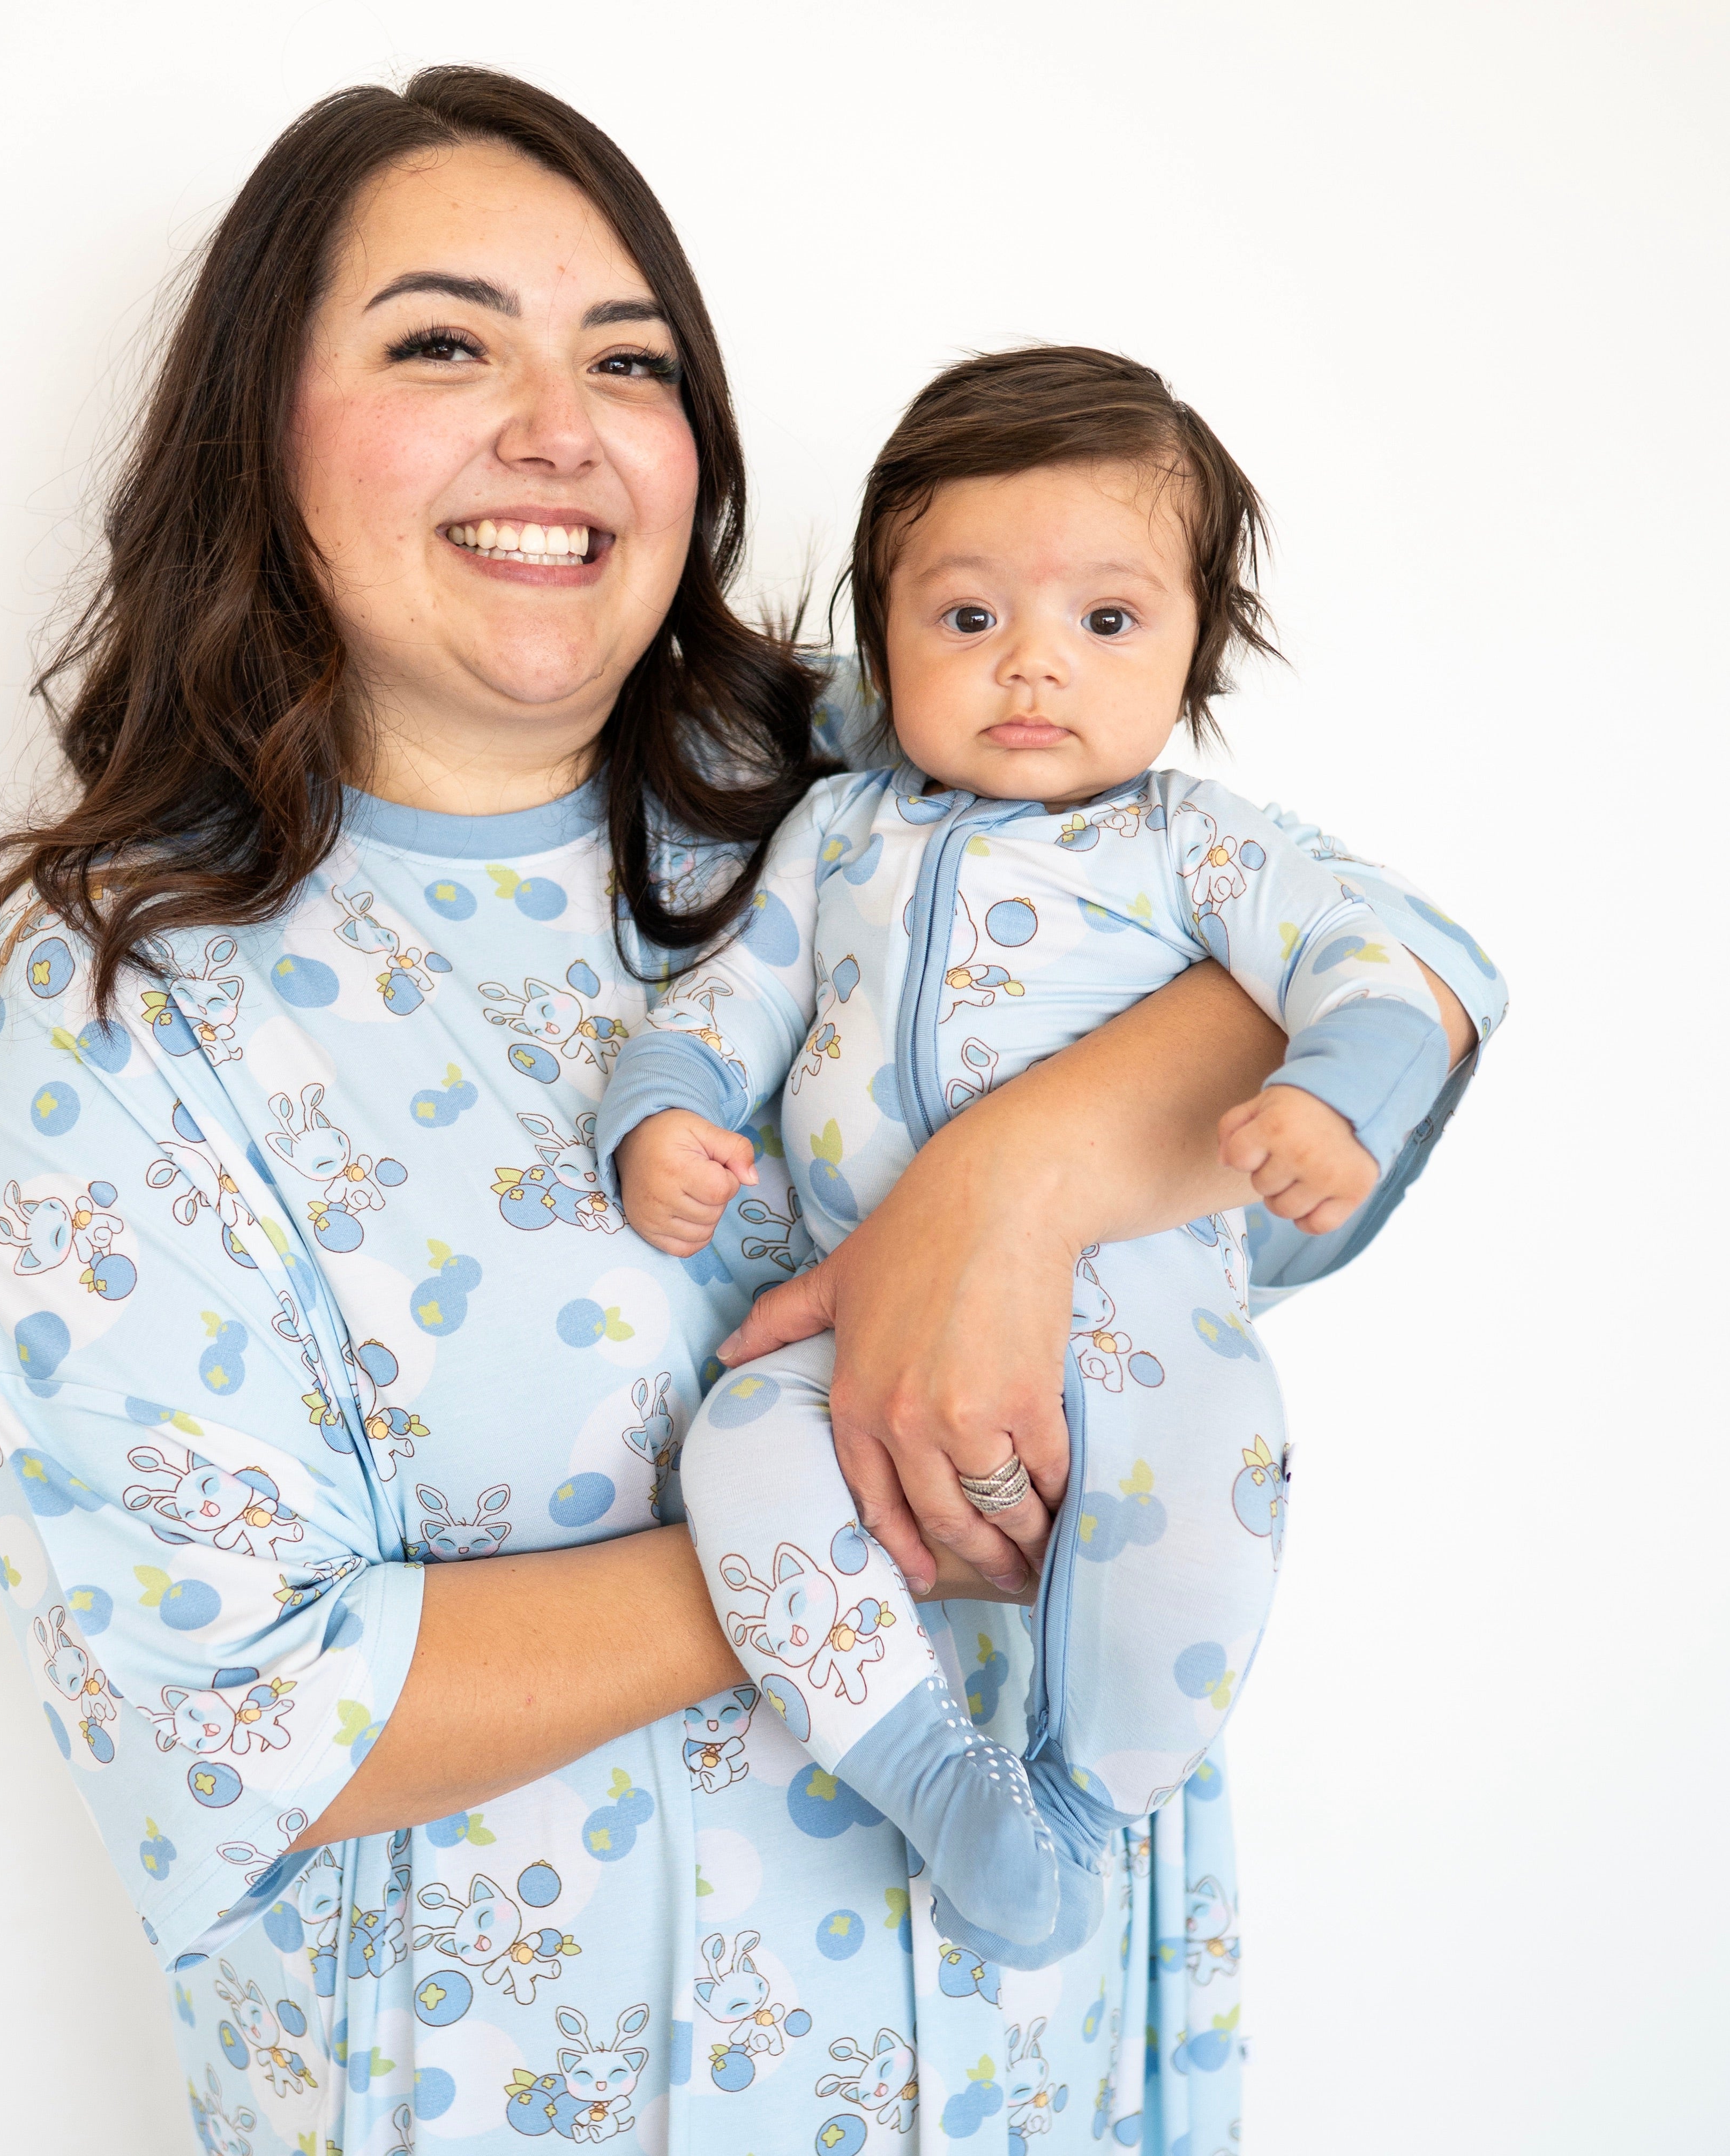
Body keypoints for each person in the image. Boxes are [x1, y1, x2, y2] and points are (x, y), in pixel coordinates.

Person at [0, 68, 1504, 2152]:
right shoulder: (128, 1005)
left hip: (1038, 2074)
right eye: (443, 342)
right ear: (257, 435)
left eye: (627, 359)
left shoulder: (870, 772)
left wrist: (1001, 1202)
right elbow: (234, 1719)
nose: (555, 424)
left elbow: (1397, 971)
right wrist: (858, 1508)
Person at [604, 345, 1478, 1977]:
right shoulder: (836, 832)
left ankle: (1090, 1807)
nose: (1031, 668)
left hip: (1150, 1337)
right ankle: (936, 1777)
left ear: (1198, 646)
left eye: (1107, 620)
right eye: (965, 616)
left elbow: (1369, 967)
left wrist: (1336, 1098)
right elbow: (728, 998)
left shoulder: (1197, 845)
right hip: (851, 1335)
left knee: (1205, 1529)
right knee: (742, 1455)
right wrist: (662, 1111)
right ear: (884, 637)